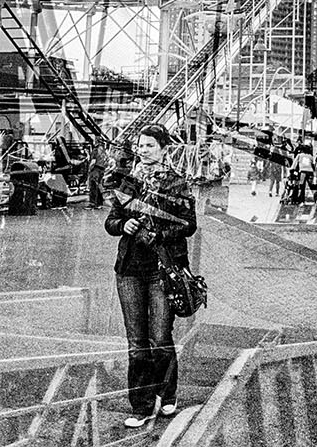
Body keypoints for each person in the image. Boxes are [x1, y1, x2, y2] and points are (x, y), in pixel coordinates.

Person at [105, 125, 197, 429]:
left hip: (162, 269)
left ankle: (166, 392)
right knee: (136, 341)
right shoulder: (128, 183)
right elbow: (111, 220)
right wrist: (124, 225)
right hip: (129, 269)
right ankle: (141, 406)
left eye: (148, 146)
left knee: (159, 337)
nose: (143, 150)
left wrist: (159, 233)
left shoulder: (176, 183)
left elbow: (188, 224)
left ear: (162, 148)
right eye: (140, 146)